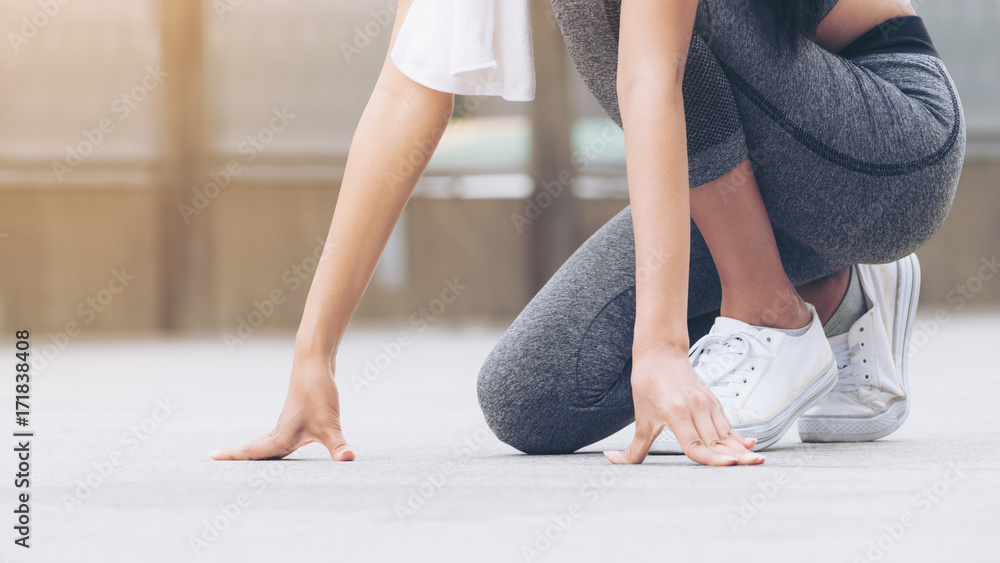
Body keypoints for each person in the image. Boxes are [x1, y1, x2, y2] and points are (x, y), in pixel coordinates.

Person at [211, 0, 964, 466]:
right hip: (766, 177)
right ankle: (839, 288)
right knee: (528, 397)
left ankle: (768, 303)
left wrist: (662, 347)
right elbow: (406, 89)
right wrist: (314, 357)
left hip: (889, 148)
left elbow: (650, 76)